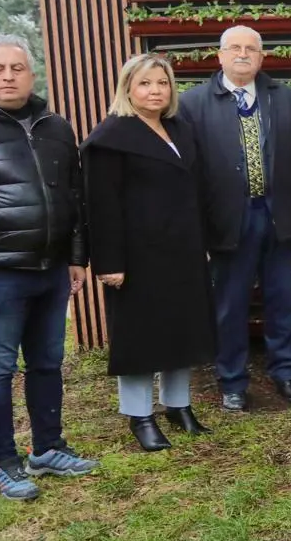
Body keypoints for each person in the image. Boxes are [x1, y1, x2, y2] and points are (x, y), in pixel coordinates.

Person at [0, 34, 99, 498]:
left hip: (51, 272)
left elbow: (74, 199)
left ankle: (47, 448)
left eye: (17, 68)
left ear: (32, 75)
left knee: (47, 363)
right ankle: (4, 461)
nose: (9, 76)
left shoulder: (56, 126)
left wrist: (76, 258)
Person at [82, 54, 218, 451]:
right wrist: (109, 263)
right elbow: (100, 206)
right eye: (145, 83)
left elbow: (199, 191)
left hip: (182, 251)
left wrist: (204, 243)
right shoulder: (109, 138)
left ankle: (179, 406)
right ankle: (140, 415)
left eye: (162, 83)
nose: (155, 91)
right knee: (140, 339)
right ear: (128, 88)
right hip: (136, 257)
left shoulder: (179, 129)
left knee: (181, 330)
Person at [179, 26, 291, 412]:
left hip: (277, 216)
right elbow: (189, 171)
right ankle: (233, 381)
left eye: (250, 49)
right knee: (230, 305)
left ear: (261, 57)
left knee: (281, 301)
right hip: (227, 222)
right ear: (218, 56)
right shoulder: (194, 103)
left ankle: (285, 373)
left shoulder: (283, 99)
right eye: (234, 48)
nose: (242, 54)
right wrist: (198, 228)